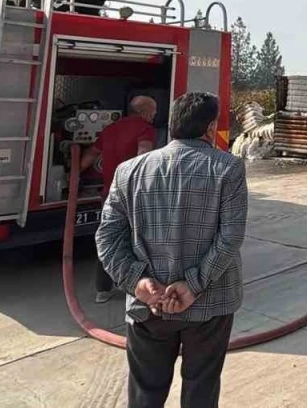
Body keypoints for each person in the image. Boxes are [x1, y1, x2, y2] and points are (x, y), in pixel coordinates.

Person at [96, 92, 248, 408]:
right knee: (201, 389)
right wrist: (193, 285)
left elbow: (107, 237)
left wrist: (138, 282)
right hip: (210, 306)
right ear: (210, 128)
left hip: (147, 307)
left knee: (145, 393)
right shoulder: (228, 168)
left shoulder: (129, 171)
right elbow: (230, 237)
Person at [80, 95, 159, 304]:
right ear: (144, 112)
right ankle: (135, 286)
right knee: (136, 241)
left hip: (109, 194)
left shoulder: (110, 129)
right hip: (132, 195)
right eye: (153, 111)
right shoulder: (145, 129)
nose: (154, 115)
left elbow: (91, 153)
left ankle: (102, 289)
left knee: (109, 239)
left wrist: (74, 173)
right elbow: (143, 154)